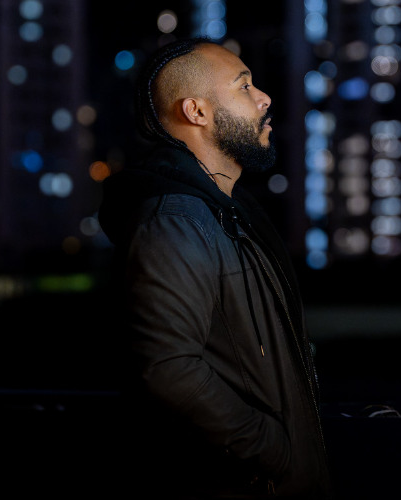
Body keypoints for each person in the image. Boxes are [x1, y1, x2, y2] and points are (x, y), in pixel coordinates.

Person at [98, 37, 334, 499]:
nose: (264, 98)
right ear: (196, 111)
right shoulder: (176, 222)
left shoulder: (223, 214)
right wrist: (271, 451)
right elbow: (167, 368)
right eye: (244, 86)